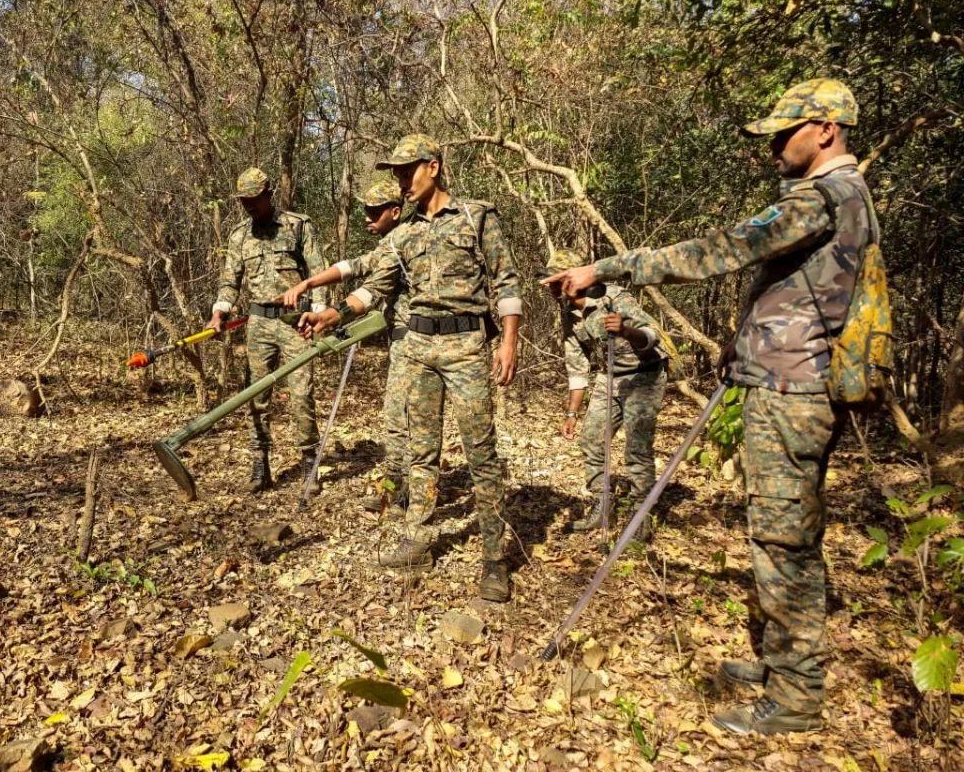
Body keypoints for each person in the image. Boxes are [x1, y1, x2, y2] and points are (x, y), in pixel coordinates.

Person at [545, 79, 868, 734]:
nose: (775, 145)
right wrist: (744, 341)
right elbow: (801, 293)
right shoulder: (842, 199)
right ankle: (783, 663)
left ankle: (797, 697)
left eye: (786, 132)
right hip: (785, 379)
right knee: (788, 531)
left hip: (791, 391)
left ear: (826, 130)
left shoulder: (822, 197)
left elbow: (719, 250)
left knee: (783, 538)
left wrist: (606, 267)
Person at [302, 134, 522, 602]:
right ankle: (419, 541)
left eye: (407, 171)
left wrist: (508, 341)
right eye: (397, 174)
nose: (401, 181)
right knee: (422, 452)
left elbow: (506, 279)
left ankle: (493, 559)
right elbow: (372, 288)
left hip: (466, 347)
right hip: (418, 347)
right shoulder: (402, 235)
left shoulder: (475, 216)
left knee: (480, 453)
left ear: (434, 167)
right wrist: (333, 313)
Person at [278, 179, 412, 513]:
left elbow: (370, 291)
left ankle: (409, 495)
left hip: (417, 340)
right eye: (364, 210)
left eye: (374, 211)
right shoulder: (387, 244)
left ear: (395, 212)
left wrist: (332, 314)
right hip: (402, 339)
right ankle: (397, 491)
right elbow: (353, 266)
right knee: (396, 420)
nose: (367, 217)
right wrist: (309, 281)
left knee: (407, 422)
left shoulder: (405, 239)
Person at [207, 168, 328, 494]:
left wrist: (318, 313)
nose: (249, 207)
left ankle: (309, 464)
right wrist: (219, 312)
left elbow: (319, 272)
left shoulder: (298, 226)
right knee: (256, 397)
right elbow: (229, 282)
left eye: (254, 200)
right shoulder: (239, 236)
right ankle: (260, 465)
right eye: (244, 201)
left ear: (268, 194)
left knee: (302, 394)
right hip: (258, 325)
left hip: (295, 323)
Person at [542, 247, 668, 539]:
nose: (550, 287)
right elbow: (577, 366)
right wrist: (572, 413)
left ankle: (641, 515)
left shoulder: (615, 298)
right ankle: (602, 506)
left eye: (556, 281)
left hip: (644, 374)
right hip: (607, 377)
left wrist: (625, 331)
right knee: (592, 439)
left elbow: (651, 336)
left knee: (637, 448)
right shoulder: (569, 314)